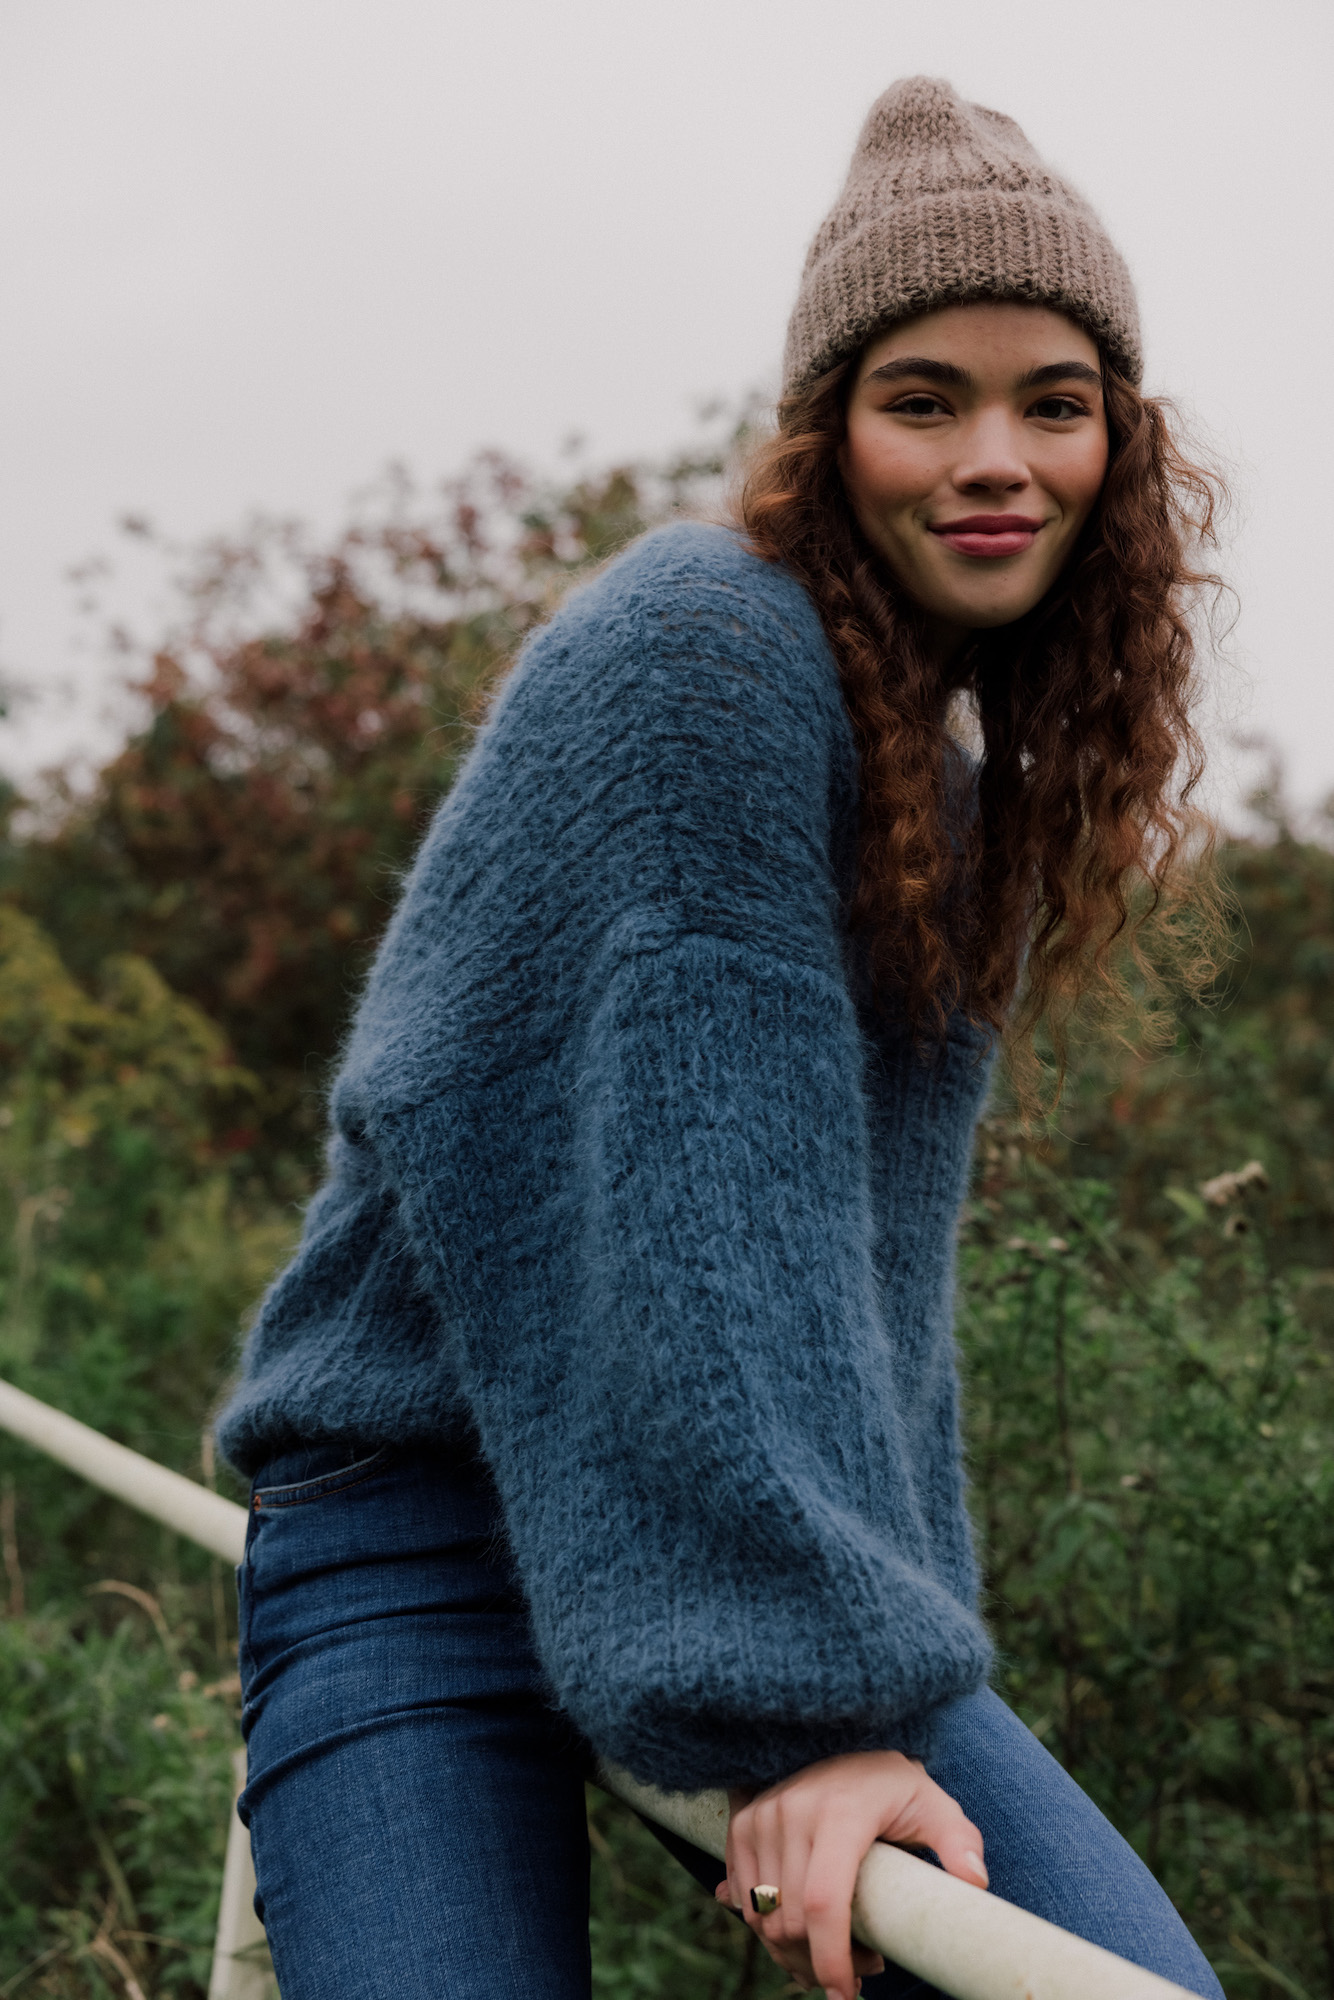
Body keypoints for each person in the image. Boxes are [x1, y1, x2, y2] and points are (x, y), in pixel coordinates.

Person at [217, 76, 1226, 2000]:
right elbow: (705, 1197)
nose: (994, 458)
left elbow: (865, 1299)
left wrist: (878, 1663)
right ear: (828, 433)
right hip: (422, 1534)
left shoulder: (949, 795)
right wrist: (814, 1709)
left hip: (744, 1556)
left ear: (1120, 440)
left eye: (1054, 402)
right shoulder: (706, 641)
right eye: (922, 399)